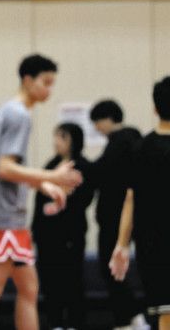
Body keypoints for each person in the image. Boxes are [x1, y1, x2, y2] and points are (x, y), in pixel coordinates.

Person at [0, 54, 82, 330]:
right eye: (46, 82)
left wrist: (42, 184)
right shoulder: (19, 115)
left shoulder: (5, 111)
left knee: (28, 288)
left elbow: (5, 169)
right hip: (4, 220)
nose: (49, 90)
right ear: (28, 80)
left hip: (3, 217)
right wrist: (53, 176)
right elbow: (5, 169)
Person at [110, 76, 170, 330]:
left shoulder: (140, 148)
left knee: (165, 312)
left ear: (155, 108)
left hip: (151, 244)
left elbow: (130, 198)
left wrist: (122, 244)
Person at [89, 99, 149, 330]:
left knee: (111, 268)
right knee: (119, 268)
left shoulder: (120, 143)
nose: (96, 128)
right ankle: (131, 318)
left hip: (115, 216)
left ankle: (129, 317)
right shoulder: (133, 140)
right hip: (130, 214)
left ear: (107, 119)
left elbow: (100, 172)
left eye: (97, 122)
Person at [32, 123, 94, 330]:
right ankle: (55, 323)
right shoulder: (51, 166)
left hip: (71, 234)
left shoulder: (83, 166)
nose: (56, 142)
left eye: (62, 137)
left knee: (73, 279)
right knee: (50, 281)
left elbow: (85, 198)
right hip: (47, 235)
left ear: (74, 140)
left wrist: (64, 196)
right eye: (56, 136)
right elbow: (39, 201)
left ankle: (76, 323)